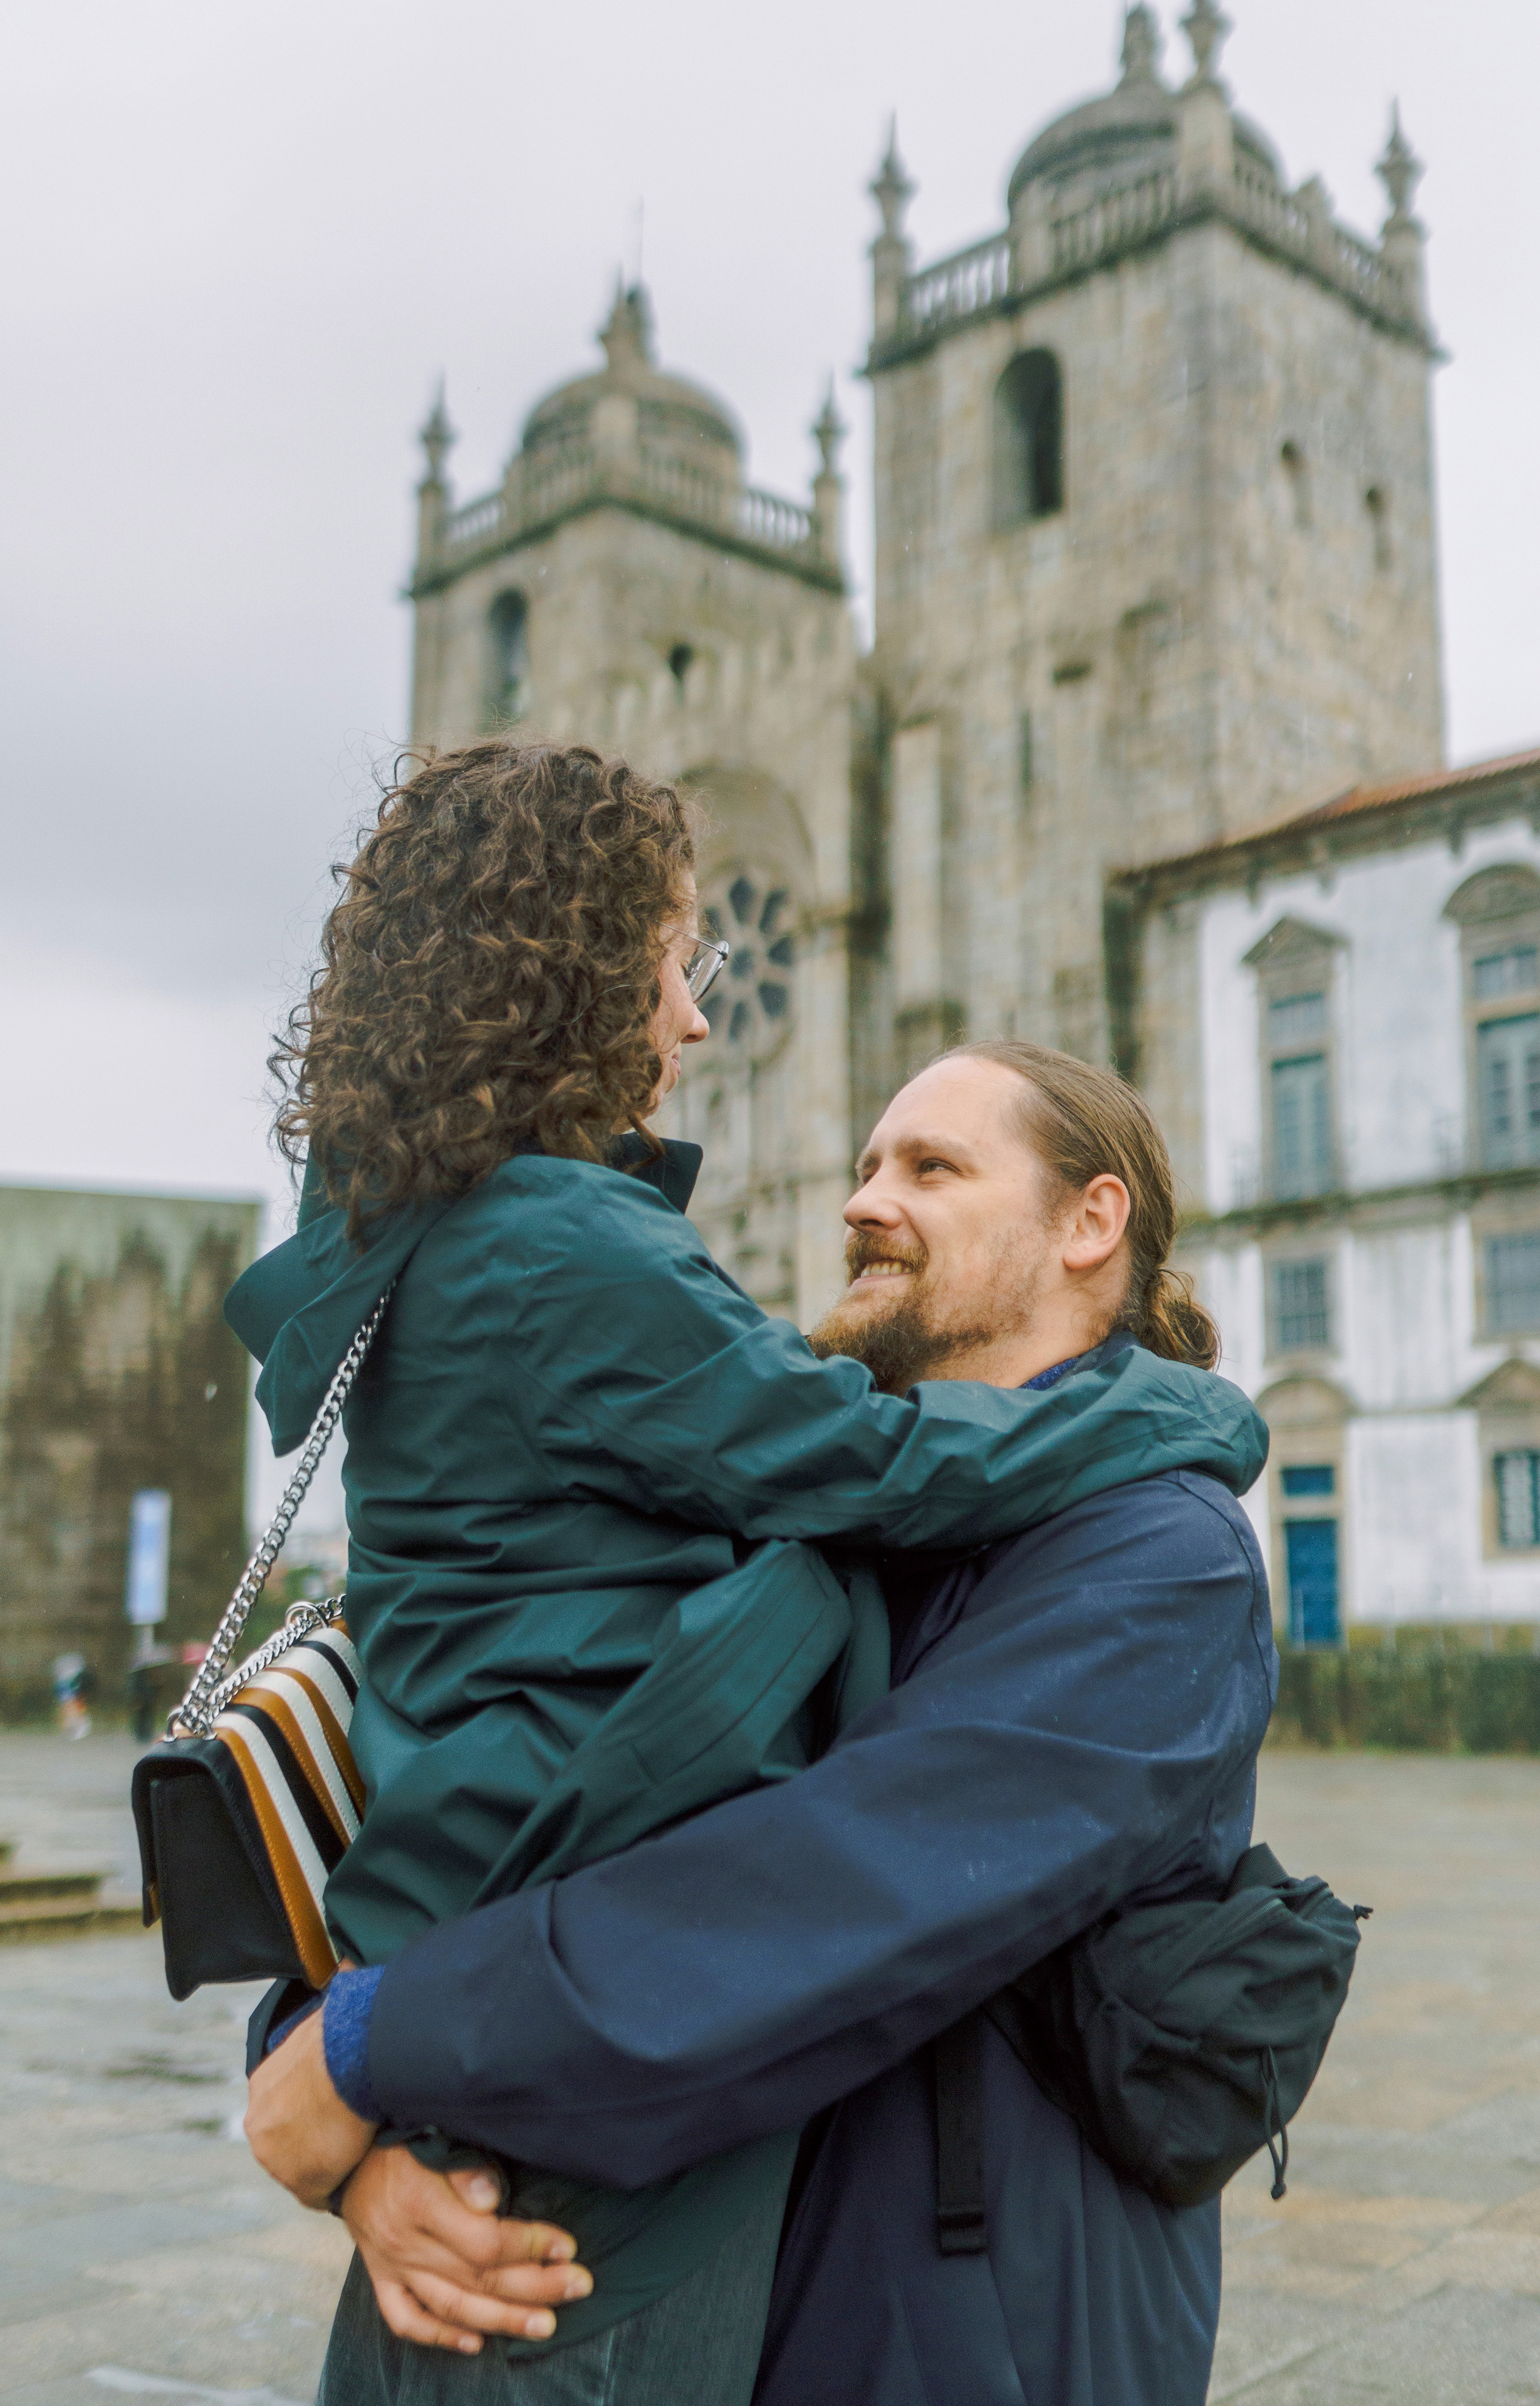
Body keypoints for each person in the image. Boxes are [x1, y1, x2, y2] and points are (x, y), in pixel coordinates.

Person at [231, 743, 1267, 2402]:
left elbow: (810, 1884)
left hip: (969, 2338)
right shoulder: (802, 1477)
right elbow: (490, 1720)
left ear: (1091, 1224)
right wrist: (325, 2066)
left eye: (931, 1169)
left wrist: (368, 2047)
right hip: (685, 2259)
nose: (862, 1202)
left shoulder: (1154, 1552)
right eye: (865, 1162)